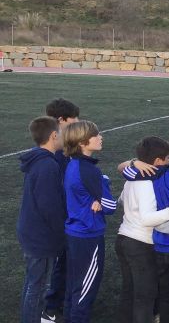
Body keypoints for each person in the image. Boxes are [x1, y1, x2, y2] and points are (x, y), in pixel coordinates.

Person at [115, 136, 169, 323]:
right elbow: (147, 219)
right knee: (145, 297)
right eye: (168, 159)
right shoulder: (146, 182)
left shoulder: (134, 176)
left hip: (124, 238)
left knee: (130, 293)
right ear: (158, 162)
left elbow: (121, 199)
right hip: (140, 243)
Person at [62, 121, 116, 322]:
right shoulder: (90, 171)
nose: (100, 137)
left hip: (74, 232)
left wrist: (97, 195)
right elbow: (110, 207)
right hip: (88, 235)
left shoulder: (73, 164)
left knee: (74, 287)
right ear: (83, 142)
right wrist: (103, 181)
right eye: (96, 135)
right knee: (85, 290)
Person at [18, 117, 65, 323]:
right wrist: (62, 231)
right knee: (36, 286)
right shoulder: (47, 165)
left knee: (32, 283)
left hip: (31, 230)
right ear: (54, 135)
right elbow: (49, 206)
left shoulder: (37, 160)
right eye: (61, 133)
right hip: (41, 235)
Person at [41, 98, 80, 322]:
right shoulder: (53, 155)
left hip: (68, 217)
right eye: (72, 121)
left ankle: (61, 302)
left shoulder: (62, 150)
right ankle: (51, 306)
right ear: (60, 121)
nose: (76, 124)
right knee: (58, 264)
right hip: (60, 219)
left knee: (67, 263)